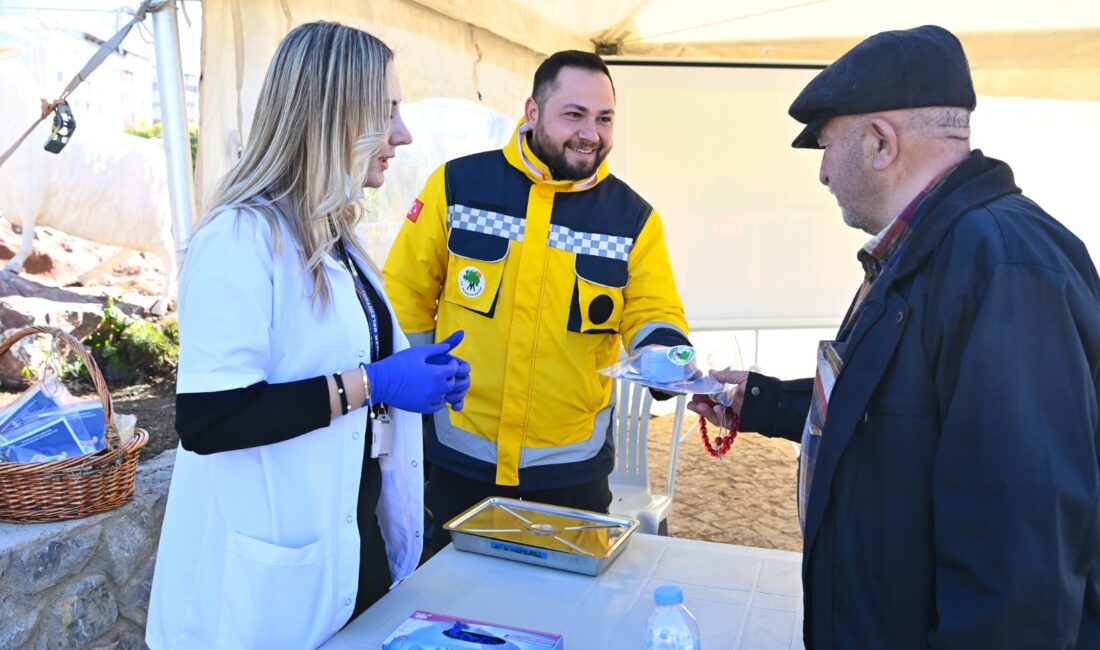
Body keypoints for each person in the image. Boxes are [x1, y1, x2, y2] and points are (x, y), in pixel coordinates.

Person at [689, 25, 1100, 648]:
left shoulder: (1002, 263)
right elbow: (896, 410)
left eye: (826, 147)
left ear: (880, 143)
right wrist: (763, 401)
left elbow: (1022, 558)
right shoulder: (936, 247)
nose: (824, 174)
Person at [145, 22, 470, 649]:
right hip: (263, 585)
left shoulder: (339, 243)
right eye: (387, 113)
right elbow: (210, 419)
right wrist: (372, 382)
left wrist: (407, 368)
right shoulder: (239, 240)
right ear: (333, 117)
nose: (402, 134)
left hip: (350, 546)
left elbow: (335, 356)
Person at [383, 50, 691, 549]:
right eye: (574, 115)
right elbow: (406, 296)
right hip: (458, 456)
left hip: (570, 470)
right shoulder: (457, 185)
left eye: (604, 118)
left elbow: (653, 309)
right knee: (449, 612)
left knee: (562, 617)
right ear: (532, 112)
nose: (591, 133)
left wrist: (665, 355)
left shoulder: (634, 218)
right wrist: (410, 398)